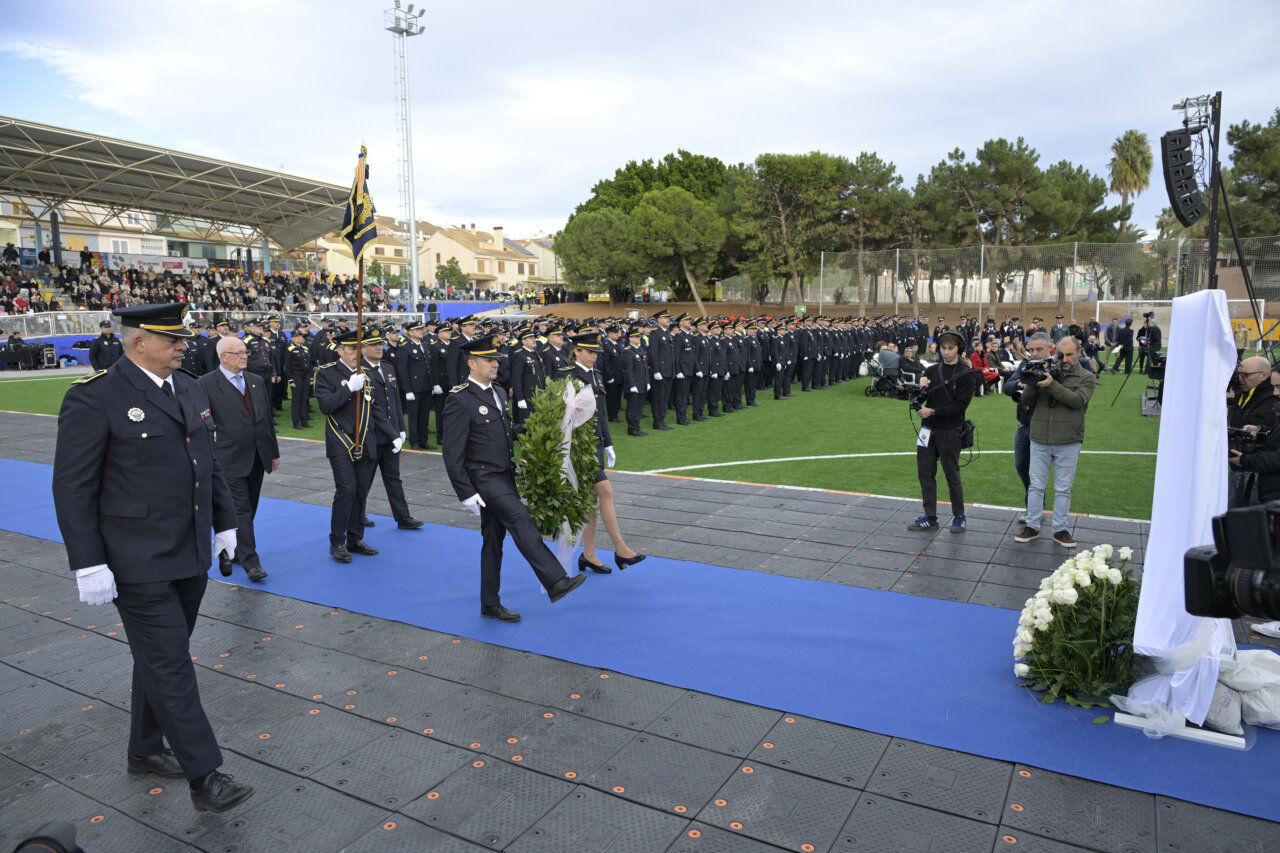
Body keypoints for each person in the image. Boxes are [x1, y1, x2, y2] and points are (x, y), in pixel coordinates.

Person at [51, 302, 254, 814]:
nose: (183, 345)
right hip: (133, 559)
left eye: (182, 338)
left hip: (189, 552)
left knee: (160, 658)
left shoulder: (188, 386)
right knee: (171, 663)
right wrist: (87, 561)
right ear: (137, 342)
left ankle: (144, 749)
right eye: (171, 339)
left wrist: (225, 521)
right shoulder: (94, 397)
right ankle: (206, 776)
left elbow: (205, 464)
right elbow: (73, 487)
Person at [441, 335, 587, 622]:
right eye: (489, 360)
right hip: (483, 478)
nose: (496, 364)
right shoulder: (459, 399)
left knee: (493, 541)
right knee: (520, 518)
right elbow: (452, 451)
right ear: (472, 363)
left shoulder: (495, 392)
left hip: (504, 475)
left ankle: (489, 602)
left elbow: (508, 430)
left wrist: (548, 423)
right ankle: (556, 580)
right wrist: (465, 492)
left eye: (496, 359)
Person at [563, 332, 646, 574]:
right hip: (578, 446)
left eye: (595, 353)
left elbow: (601, 415)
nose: (593, 357)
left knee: (592, 500)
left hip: (595, 444)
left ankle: (588, 554)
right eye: (589, 352)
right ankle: (621, 548)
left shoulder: (595, 376)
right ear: (577, 351)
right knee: (605, 490)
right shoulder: (566, 376)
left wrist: (608, 443)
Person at [198, 335, 280, 582]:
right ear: (224, 357)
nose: (246, 356)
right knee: (241, 510)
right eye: (240, 353)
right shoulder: (206, 384)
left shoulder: (255, 381)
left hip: (258, 455)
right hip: (227, 457)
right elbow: (203, 424)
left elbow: (265, 419)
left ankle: (229, 548)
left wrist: (273, 452)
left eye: (245, 352)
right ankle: (250, 561)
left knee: (249, 508)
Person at [1014, 334, 1096, 548]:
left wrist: (1051, 385)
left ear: (1079, 352)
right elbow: (1026, 400)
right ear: (1054, 351)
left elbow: (1076, 401)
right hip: (1040, 437)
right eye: (1061, 354)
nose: (1065, 359)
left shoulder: (1086, 376)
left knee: (1062, 489)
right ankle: (1032, 525)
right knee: (1035, 486)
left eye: (1070, 354)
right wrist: (1033, 380)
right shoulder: (1046, 369)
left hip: (1068, 439)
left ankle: (1060, 530)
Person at [314, 330, 380, 563]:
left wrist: (393, 434)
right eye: (351, 349)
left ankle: (355, 537)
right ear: (339, 350)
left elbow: (376, 410)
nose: (356, 353)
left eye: (358, 349)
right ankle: (337, 541)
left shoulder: (368, 374)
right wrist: (348, 388)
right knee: (347, 490)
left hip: (366, 441)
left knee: (361, 491)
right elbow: (325, 405)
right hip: (341, 441)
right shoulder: (327, 374)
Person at [907, 330, 975, 533]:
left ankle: (959, 516)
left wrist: (933, 411)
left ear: (959, 349)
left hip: (950, 429)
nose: (946, 352)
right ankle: (930, 516)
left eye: (951, 348)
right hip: (927, 429)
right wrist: (919, 388)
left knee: (951, 473)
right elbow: (920, 399)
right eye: (943, 348)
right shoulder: (931, 371)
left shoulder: (966, 374)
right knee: (925, 473)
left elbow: (960, 406)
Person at [360, 329, 422, 530]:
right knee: (364, 480)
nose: (379, 348)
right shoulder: (359, 372)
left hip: (391, 436)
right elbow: (370, 407)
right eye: (373, 345)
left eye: (380, 344)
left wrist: (401, 428)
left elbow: (395, 401)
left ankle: (403, 517)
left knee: (394, 478)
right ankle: (357, 514)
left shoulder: (387, 368)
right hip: (371, 435)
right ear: (363, 348)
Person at [1003, 332, 1050, 517]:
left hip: (1044, 426)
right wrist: (1022, 383)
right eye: (1031, 350)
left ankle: (1033, 508)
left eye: (1039, 349)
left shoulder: (1054, 368)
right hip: (1023, 426)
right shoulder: (1025, 365)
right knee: (1021, 466)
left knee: (1037, 471)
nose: (1035, 353)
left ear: (1049, 348)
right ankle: (1037, 504)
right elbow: (1008, 387)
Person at [397, 321, 433, 448]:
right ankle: (414, 441)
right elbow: (403, 371)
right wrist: (407, 390)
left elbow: (428, 367)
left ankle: (423, 440)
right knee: (414, 416)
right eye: (417, 330)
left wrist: (432, 385)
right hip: (414, 387)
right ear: (410, 332)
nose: (421, 331)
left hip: (426, 386)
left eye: (421, 329)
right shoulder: (405, 347)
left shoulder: (425, 345)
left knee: (424, 415)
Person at [647, 309, 675, 429]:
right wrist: (656, 370)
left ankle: (662, 420)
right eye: (665, 317)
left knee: (664, 398)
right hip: (660, 371)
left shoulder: (666, 333)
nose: (669, 320)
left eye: (668, 317)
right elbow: (653, 354)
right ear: (659, 319)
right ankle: (657, 422)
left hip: (668, 371)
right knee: (658, 398)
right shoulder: (655, 333)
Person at [623, 325, 649, 436]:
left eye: (639, 336)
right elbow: (628, 370)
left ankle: (637, 427)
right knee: (632, 408)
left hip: (642, 384)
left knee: (639, 408)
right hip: (634, 384)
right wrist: (631, 385)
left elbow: (645, 368)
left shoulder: (641, 350)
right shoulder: (628, 352)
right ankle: (632, 428)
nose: (639, 338)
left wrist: (647, 382)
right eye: (637, 337)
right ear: (630, 339)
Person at [285, 327, 314, 429]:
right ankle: (296, 422)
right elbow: (287, 366)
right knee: (296, 400)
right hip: (296, 375)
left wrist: (311, 377)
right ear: (292, 338)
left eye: (300, 336)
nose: (299, 338)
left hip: (306, 376)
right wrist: (290, 379)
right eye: (296, 336)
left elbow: (309, 364)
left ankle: (304, 420)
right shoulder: (289, 349)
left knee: (304, 398)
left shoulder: (305, 349)